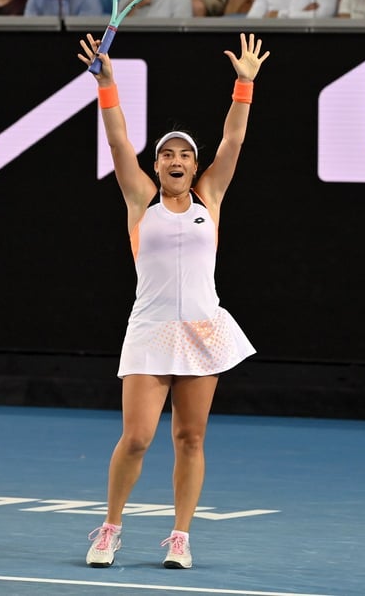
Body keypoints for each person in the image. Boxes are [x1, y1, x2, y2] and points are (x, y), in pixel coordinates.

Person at [77, 31, 268, 571]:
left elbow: (232, 142)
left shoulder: (211, 196)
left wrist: (244, 86)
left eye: (185, 153)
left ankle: (180, 537)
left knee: (190, 437)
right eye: (167, 154)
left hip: (204, 330)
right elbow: (117, 144)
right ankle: (110, 529)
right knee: (136, 438)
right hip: (150, 329)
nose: (176, 159)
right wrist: (107, 86)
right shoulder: (140, 200)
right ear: (156, 167)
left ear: (194, 162)